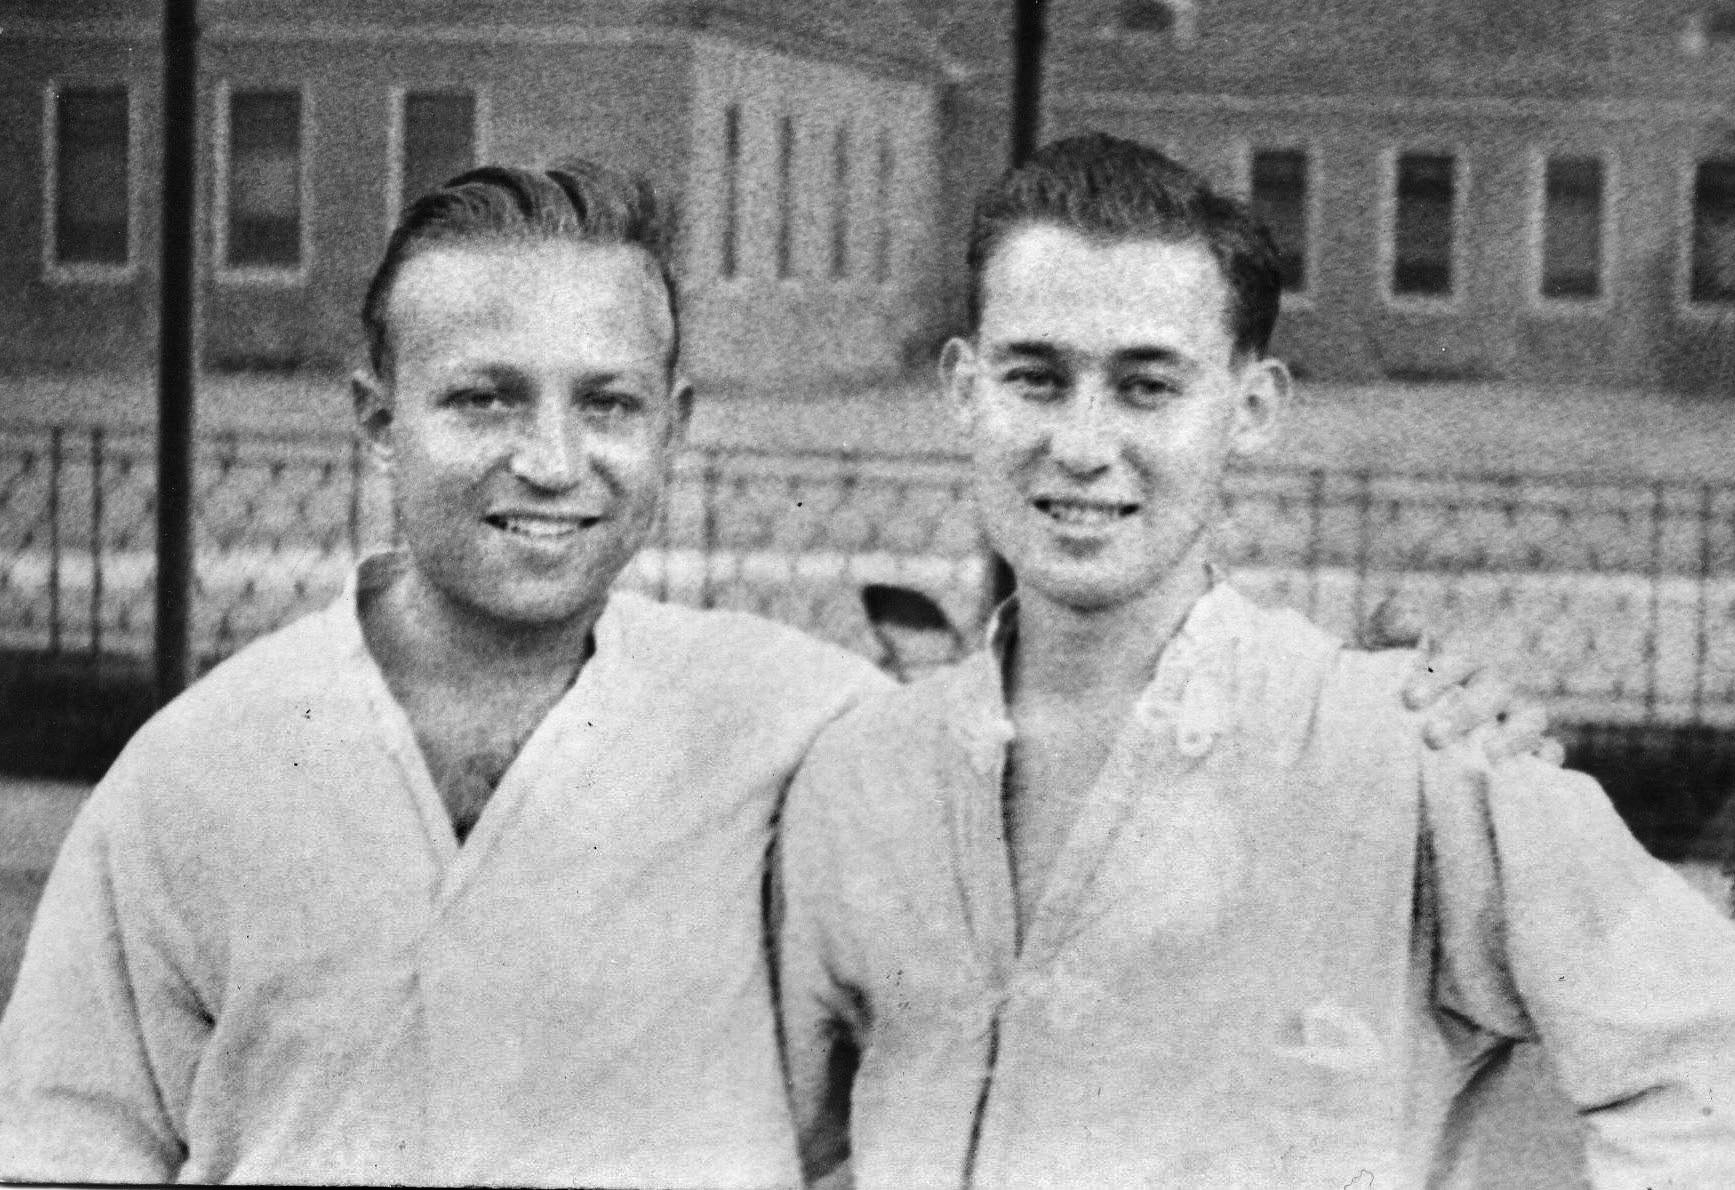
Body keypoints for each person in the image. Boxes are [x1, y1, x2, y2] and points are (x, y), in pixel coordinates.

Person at [0, 156, 1538, 1186]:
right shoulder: (200, 774)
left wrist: (1419, 707)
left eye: (607, 402)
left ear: (676, 421)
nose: (551, 461)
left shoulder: (802, 730)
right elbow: (63, 1146)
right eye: (481, 397)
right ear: (373, 414)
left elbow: (1100, 785)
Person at [775, 134, 1735, 1190]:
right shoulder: (862, 780)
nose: (1080, 443)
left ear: (1250, 409)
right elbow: (773, 1142)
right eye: (1037, 377)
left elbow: (1726, 1070)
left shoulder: (1414, 752)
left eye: (1147, 386)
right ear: (964, 387)